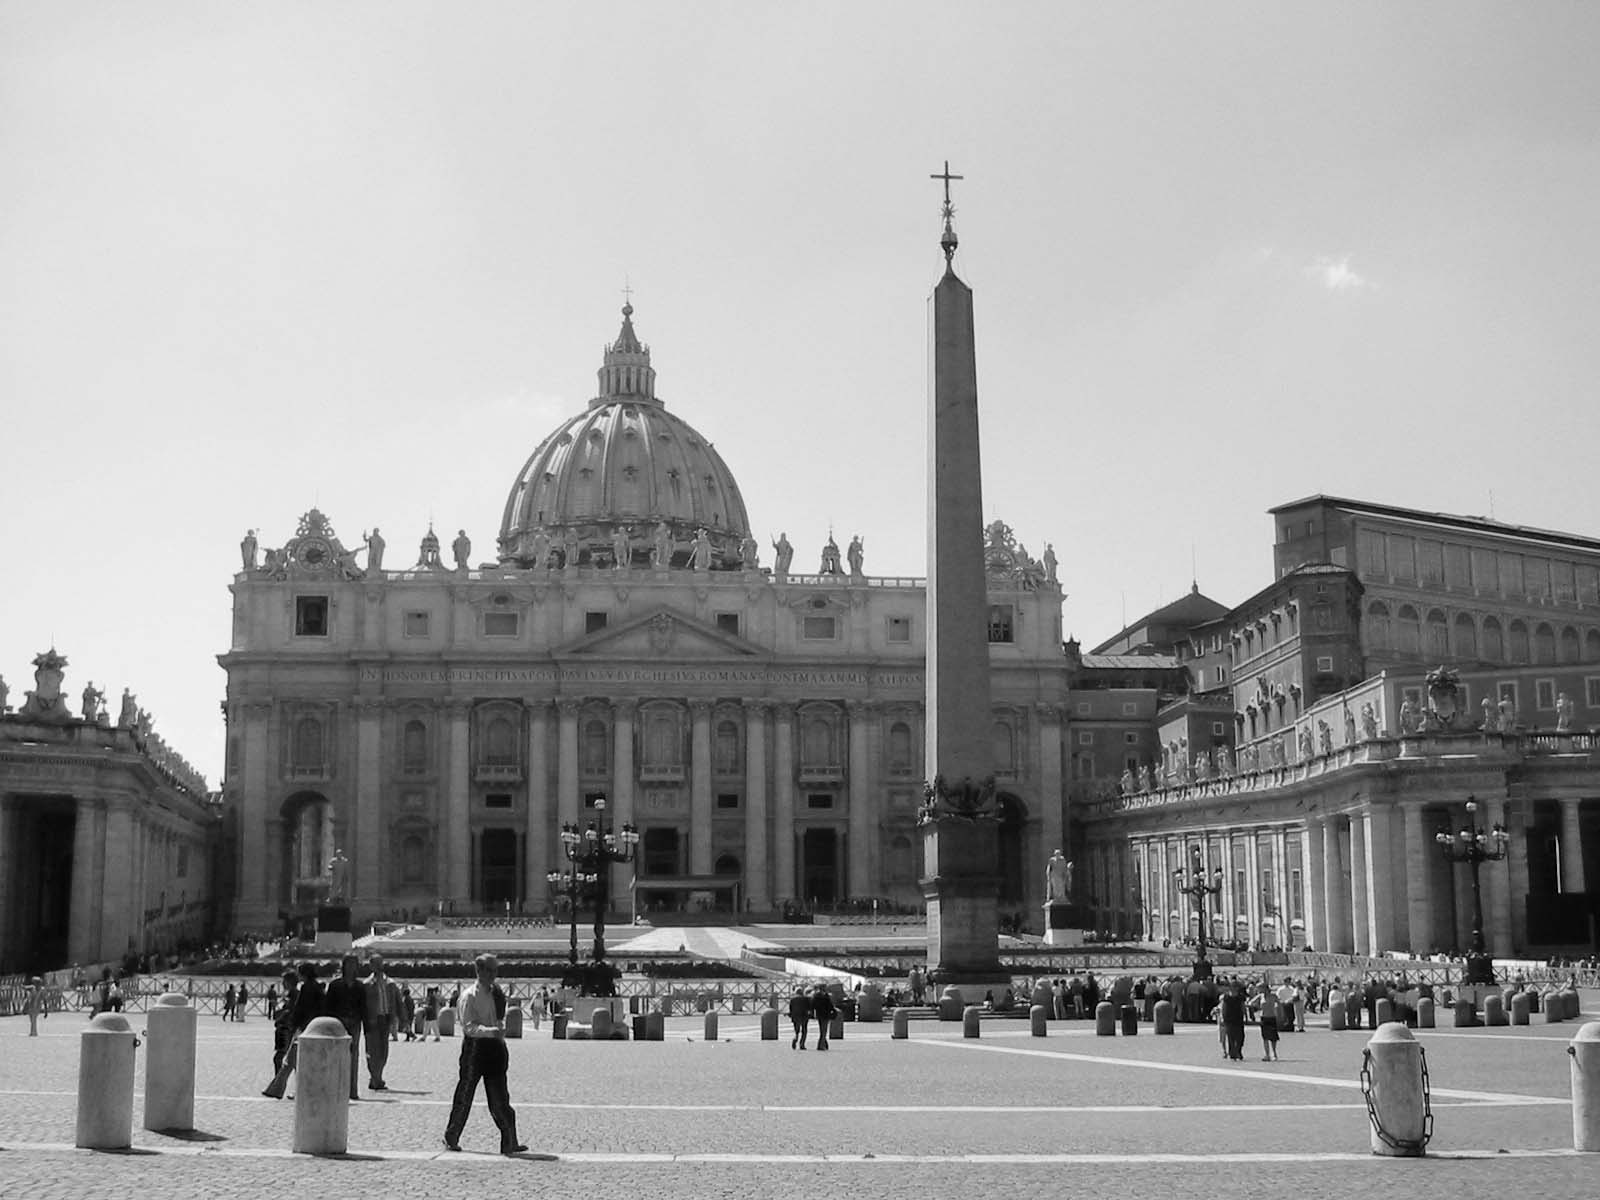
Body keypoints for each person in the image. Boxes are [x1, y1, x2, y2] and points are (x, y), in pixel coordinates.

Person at [444, 954, 526, 1155]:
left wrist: (498, 1034)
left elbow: (499, 1019)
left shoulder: (497, 993)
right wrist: (490, 1031)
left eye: (495, 970)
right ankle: (451, 1135)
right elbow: (468, 1027)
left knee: (500, 1097)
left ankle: (509, 1141)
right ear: (479, 971)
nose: (493, 975)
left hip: (495, 1048)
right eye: (489, 970)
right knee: (465, 1095)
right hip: (475, 1049)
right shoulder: (469, 996)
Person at [262, 962, 324, 1098]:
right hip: (307, 1027)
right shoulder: (315, 987)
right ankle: (278, 1088)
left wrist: (292, 1023)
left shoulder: (306, 988)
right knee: (291, 1060)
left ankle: (279, 1089)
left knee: (291, 1060)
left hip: (302, 1029)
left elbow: (300, 1009)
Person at [323, 953, 369, 1100]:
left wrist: (367, 1028)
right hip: (338, 1024)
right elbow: (328, 1007)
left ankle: (352, 1090)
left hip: (355, 1023)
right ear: (344, 966)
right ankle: (336, 1088)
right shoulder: (335, 985)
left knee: (353, 1056)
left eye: (354, 964)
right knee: (336, 1057)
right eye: (349, 964)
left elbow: (364, 1008)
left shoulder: (360, 986)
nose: (351, 967)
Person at [363, 954, 401, 1090]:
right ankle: (375, 1078)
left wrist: (402, 1019)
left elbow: (398, 1001)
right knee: (372, 1050)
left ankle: (377, 1076)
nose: (379, 966)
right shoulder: (366, 984)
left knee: (383, 1050)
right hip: (372, 1020)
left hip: (385, 1019)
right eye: (376, 963)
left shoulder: (390, 983)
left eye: (380, 963)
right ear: (371, 966)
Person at [270, 969, 298, 1075]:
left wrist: (280, 1014)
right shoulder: (292, 994)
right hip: (286, 1028)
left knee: (280, 1058)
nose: (282, 983)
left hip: (287, 1028)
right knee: (288, 1058)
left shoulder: (293, 994)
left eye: (284, 981)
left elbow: (291, 1010)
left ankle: (277, 1084)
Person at [811, 985, 837, 1050]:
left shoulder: (816, 996)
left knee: (822, 1030)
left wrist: (813, 1013)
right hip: (825, 1014)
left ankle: (824, 1044)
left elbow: (813, 1005)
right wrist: (834, 1011)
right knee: (824, 1031)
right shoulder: (826, 996)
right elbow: (830, 1005)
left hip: (819, 1014)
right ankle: (821, 1045)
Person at [788, 985, 811, 1050]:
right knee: (804, 1031)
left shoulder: (792, 999)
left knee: (797, 1031)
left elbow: (790, 1008)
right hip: (804, 1016)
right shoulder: (805, 999)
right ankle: (802, 1044)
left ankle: (795, 1038)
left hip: (795, 1016)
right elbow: (809, 1007)